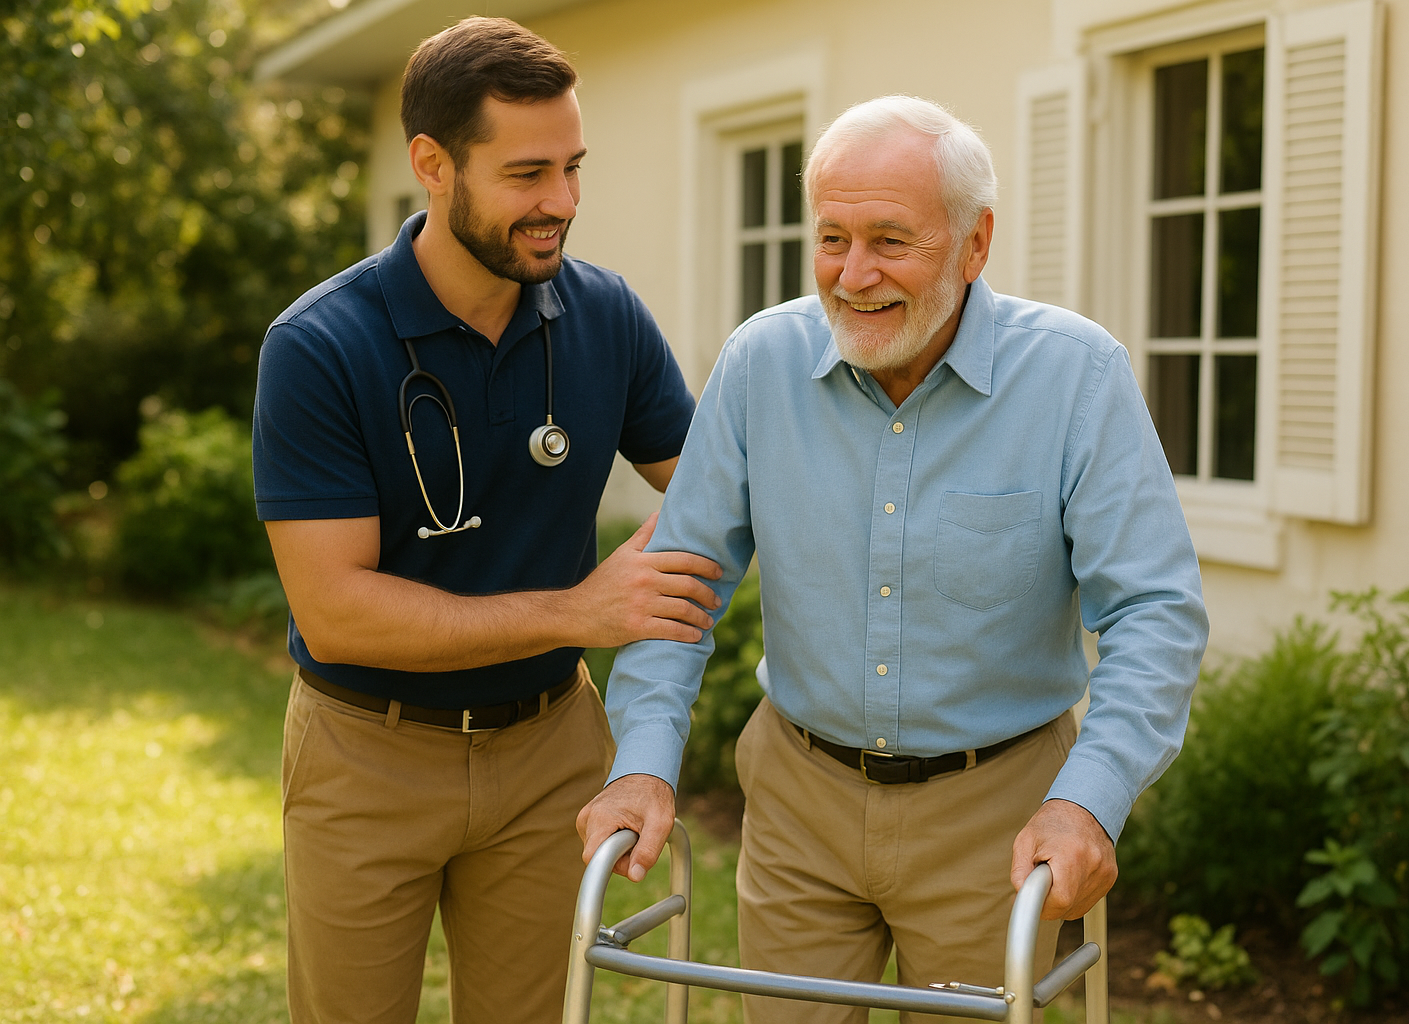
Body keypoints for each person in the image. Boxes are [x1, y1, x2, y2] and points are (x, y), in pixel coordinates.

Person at [577, 95, 1208, 1023]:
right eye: (832, 239)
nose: (854, 275)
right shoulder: (760, 363)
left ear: (975, 243)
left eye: (891, 242)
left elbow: (1154, 612)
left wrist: (1088, 801)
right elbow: (681, 584)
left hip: (997, 815)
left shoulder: (1077, 376)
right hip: (798, 802)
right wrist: (643, 762)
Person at [252, 18, 721, 1024]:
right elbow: (336, 612)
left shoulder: (606, 317)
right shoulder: (321, 346)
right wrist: (581, 611)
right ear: (432, 164)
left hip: (552, 750)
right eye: (527, 174)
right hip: (368, 752)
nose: (563, 202)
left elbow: (717, 493)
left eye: (573, 167)